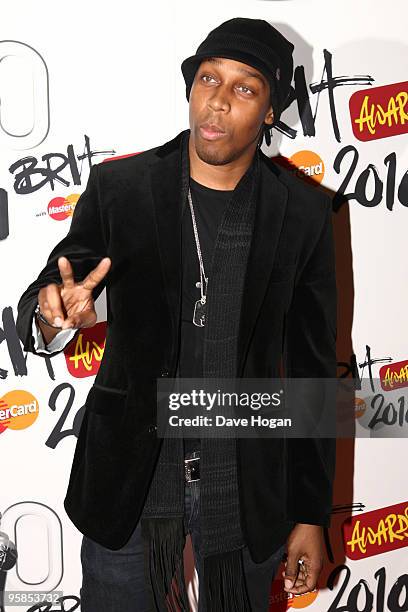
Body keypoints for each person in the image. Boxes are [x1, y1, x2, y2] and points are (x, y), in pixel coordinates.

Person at [16, 17, 337, 612]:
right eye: (208, 78)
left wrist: (310, 516)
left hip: (242, 493)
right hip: (133, 487)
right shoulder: (122, 188)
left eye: (245, 88)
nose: (218, 100)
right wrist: (51, 317)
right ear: (191, 89)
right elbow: (56, 286)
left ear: (270, 112)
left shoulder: (304, 216)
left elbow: (315, 375)